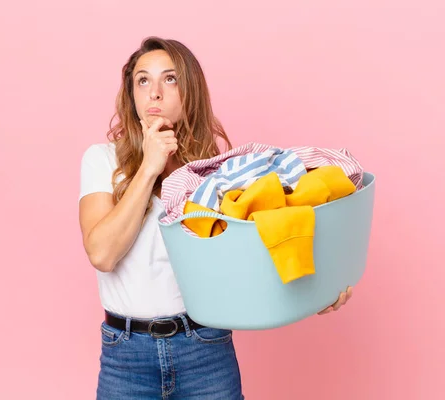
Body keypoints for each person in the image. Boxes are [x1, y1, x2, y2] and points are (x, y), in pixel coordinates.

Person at [78, 36, 353, 400]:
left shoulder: (214, 172)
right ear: (131, 94)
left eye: (170, 79)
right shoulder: (102, 160)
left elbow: (258, 248)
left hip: (204, 349)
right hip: (126, 354)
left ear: (189, 90)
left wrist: (318, 289)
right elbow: (102, 255)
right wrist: (148, 168)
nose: (154, 93)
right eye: (143, 80)